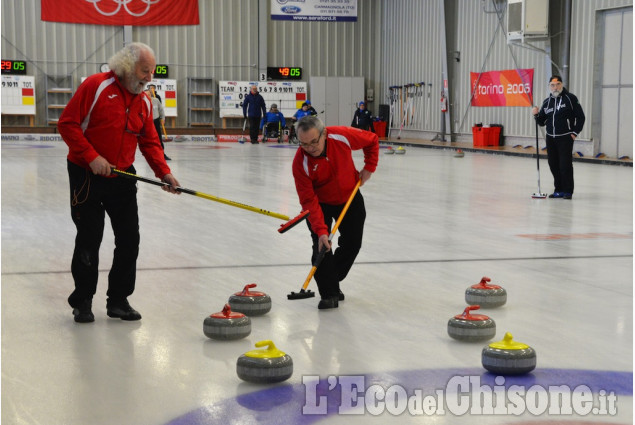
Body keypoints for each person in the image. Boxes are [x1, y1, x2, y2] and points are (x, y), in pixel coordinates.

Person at [58, 42, 181, 323]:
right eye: (145, 70)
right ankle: (83, 300)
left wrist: (164, 173)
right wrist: (91, 156)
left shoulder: (145, 100)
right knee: (90, 238)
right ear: (126, 67)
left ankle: (118, 300)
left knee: (129, 239)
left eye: (152, 71)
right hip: (86, 174)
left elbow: (149, 141)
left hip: (123, 176)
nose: (150, 77)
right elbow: (67, 124)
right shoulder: (96, 86)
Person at [292, 116, 379, 309]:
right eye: (304, 144)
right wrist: (321, 231)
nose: (310, 148)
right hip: (320, 203)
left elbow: (372, 139)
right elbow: (308, 200)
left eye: (314, 141)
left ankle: (331, 277)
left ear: (324, 134)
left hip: (350, 196)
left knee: (353, 244)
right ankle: (329, 293)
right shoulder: (300, 163)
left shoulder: (341, 136)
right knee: (321, 246)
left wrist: (369, 168)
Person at [532, 75, 585, 199]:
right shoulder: (547, 102)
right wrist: (536, 115)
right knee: (553, 164)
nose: (555, 87)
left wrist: (574, 133)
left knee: (565, 165)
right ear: (549, 86)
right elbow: (541, 122)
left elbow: (581, 117)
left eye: (558, 84)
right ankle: (558, 189)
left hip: (565, 137)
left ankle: (567, 191)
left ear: (562, 85)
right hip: (550, 138)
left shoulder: (570, 99)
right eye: (552, 85)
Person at [145, 84, 170, 160]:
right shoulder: (142, 101)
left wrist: (162, 118)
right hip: (146, 123)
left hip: (155, 121)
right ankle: (150, 155)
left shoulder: (156, 100)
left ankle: (162, 154)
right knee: (148, 140)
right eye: (147, 94)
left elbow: (161, 110)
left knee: (159, 138)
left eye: (149, 94)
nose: (148, 95)